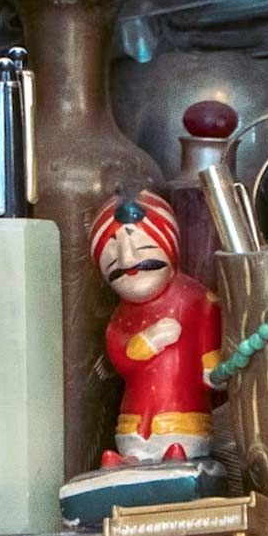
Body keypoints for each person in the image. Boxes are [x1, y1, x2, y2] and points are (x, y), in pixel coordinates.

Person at [91, 190, 221, 465]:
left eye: (140, 247)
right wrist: (145, 342)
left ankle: (178, 460)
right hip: (134, 420)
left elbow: (210, 340)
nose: (127, 261)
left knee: (179, 451)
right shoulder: (121, 315)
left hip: (182, 417)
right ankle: (132, 461)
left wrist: (213, 367)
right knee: (134, 451)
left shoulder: (196, 298)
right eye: (112, 253)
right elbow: (118, 352)